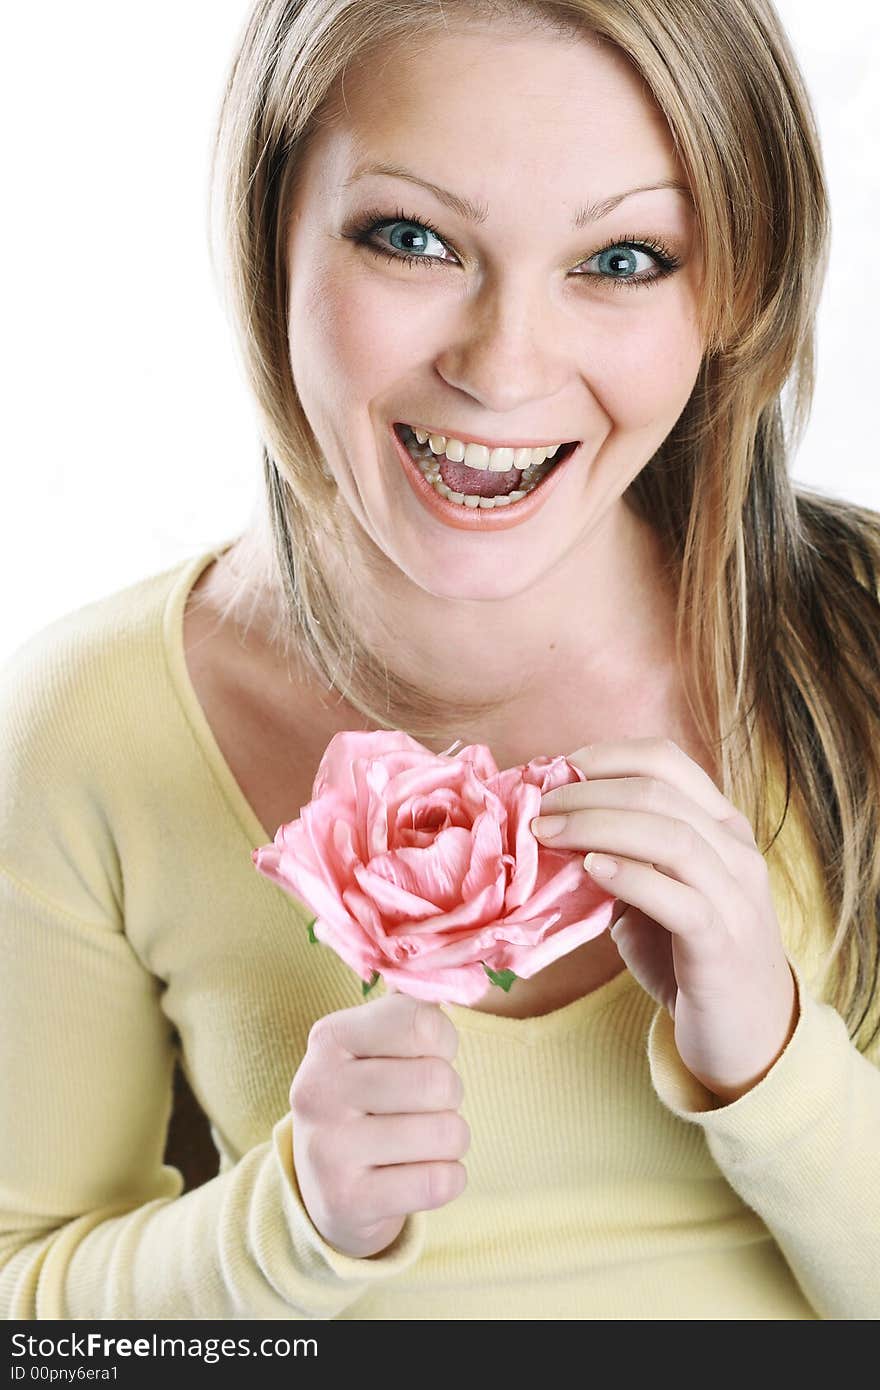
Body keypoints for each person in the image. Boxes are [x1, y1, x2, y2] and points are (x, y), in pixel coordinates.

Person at [2, 0, 879, 1321]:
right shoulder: (94, 724)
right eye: (412, 239)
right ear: (268, 234)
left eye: (624, 258)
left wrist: (777, 1067)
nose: (501, 368)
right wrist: (284, 1227)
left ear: (737, 291)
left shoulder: (860, 644)